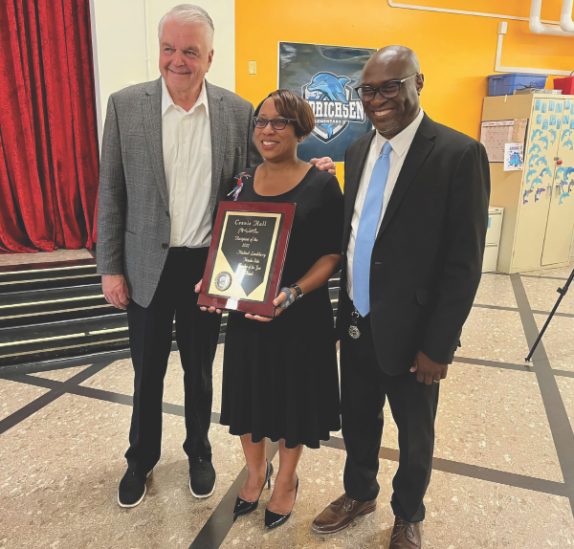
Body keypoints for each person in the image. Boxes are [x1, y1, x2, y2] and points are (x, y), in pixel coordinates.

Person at [97, 4, 334, 509]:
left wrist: (310, 164)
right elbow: (110, 191)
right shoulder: (125, 106)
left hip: (211, 268)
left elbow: (267, 172)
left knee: (201, 369)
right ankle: (140, 458)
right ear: (158, 50)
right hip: (145, 265)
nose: (177, 60)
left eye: (189, 51)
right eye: (168, 48)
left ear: (209, 57)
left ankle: (199, 451)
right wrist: (110, 266)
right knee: (147, 369)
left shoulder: (235, 111)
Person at [311, 46, 490, 548]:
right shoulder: (356, 151)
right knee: (358, 418)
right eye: (367, 90)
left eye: (390, 86)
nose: (377, 99)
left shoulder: (458, 154)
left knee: (414, 433)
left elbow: (464, 265)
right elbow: (357, 237)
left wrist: (439, 346)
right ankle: (359, 492)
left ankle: (408, 512)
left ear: (418, 82)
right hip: (358, 319)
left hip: (415, 333)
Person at [203, 89, 343, 529]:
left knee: (293, 402)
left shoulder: (321, 183)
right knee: (249, 396)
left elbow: (332, 255)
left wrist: (293, 294)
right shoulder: (241, 182)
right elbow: (229, 244)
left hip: (299, 317)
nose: (267, 130)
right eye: (261, 122)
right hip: (248, 316)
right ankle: (256, 471)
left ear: (300, 129)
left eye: (280, 122)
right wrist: (213, 283)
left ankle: (286, 480)